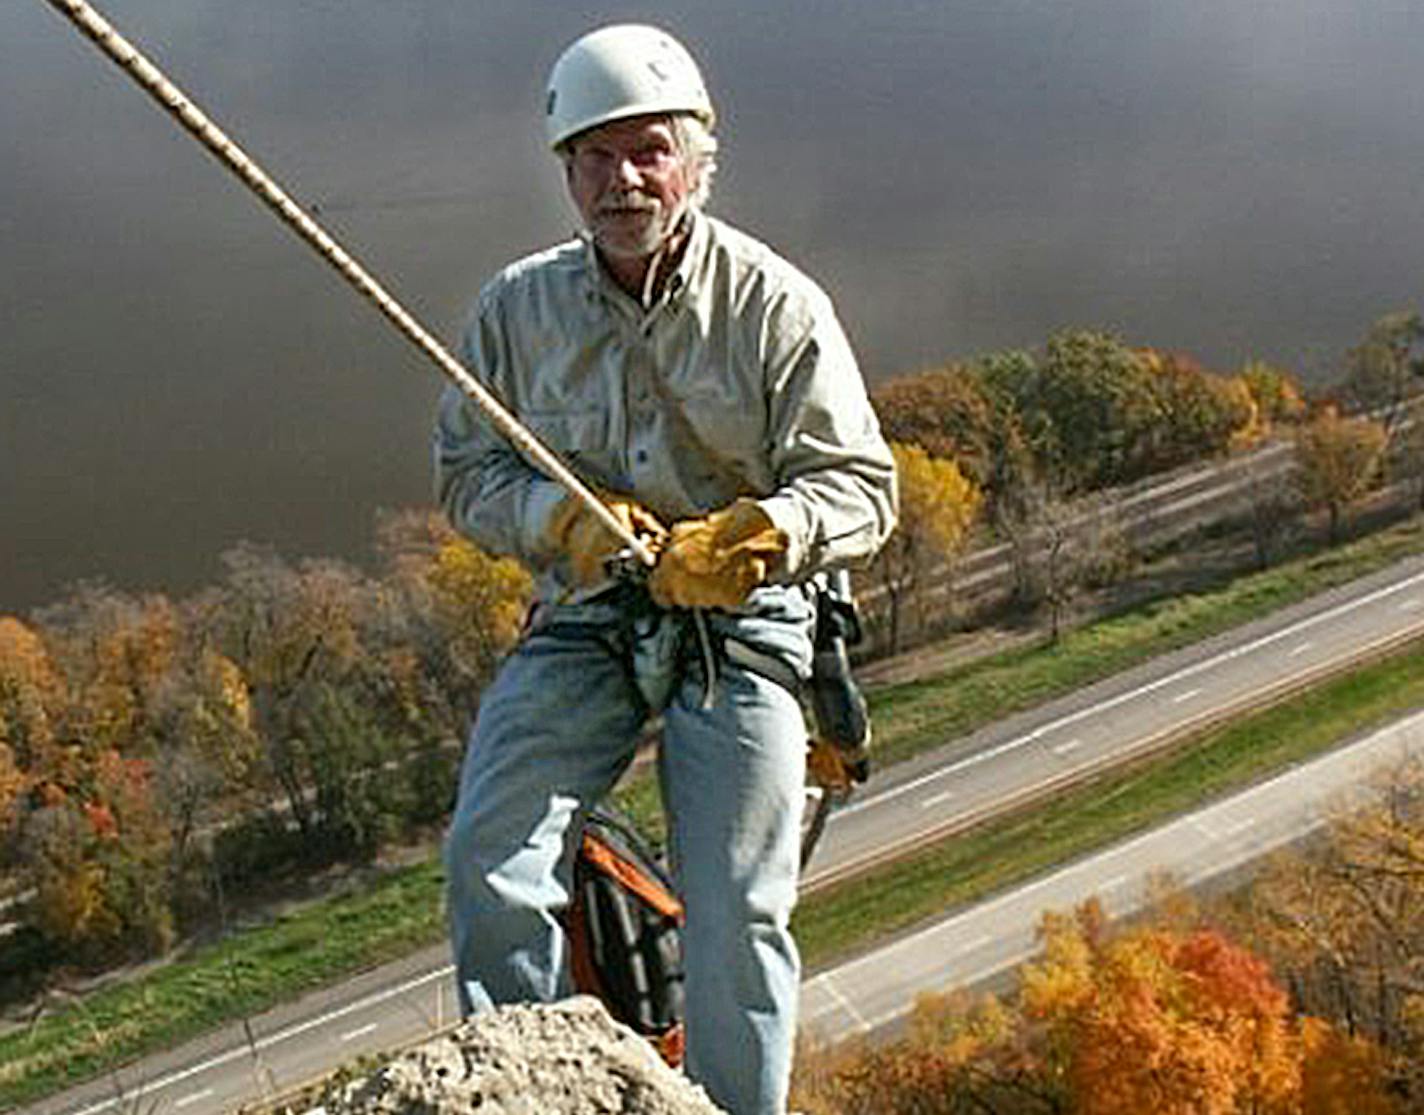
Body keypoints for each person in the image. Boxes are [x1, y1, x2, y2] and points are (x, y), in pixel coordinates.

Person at [434, 23, 896, 1115]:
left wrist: (754, 538)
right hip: (590, 609)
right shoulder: (515, 312)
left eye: (647, 150)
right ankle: (528, 1087)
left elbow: (863, 487)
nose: (621, 179)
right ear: (565, 173)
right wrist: (562, 522)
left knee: (736, 903)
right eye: (594, 157)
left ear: (697, 161)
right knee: (487, 856)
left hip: (746, 623)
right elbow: (466, 476)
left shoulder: (774, 306)